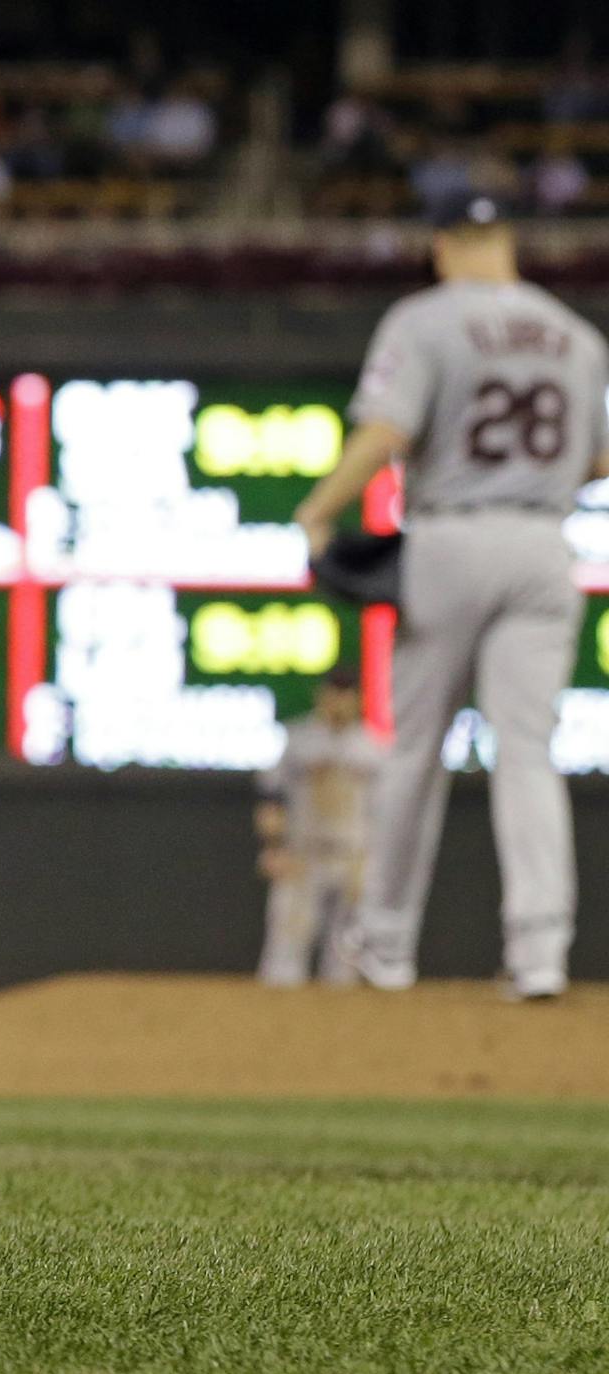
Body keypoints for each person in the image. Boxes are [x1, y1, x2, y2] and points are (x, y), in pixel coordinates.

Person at [293, 195, 609, 999]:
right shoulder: (578, 337)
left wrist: (320, 509)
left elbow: (388, 432)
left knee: (414, 752)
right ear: (507, 242)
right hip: (543, 541)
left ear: (442, 245)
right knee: (530, 755)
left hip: (449, 537)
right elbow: (598, 459)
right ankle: (541, 954)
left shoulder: (423, 321)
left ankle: (388, 945)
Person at [253, 668, 383, 987]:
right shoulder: (298, 739)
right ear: (321, 696)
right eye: (333, 693)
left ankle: (336, 1034)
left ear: (359, 700)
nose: (339, 702)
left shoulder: (375, 747)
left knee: (344, 963)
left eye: (347, 694)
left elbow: (385, 814)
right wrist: (273, 848)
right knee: (284, 954)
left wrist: (375, 863)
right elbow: (272, 798)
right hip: (303, 856)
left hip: (354, 857)